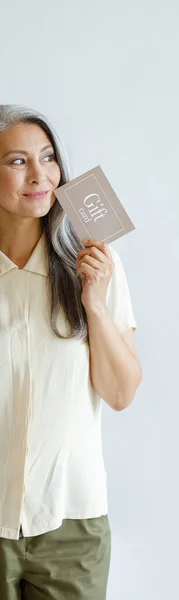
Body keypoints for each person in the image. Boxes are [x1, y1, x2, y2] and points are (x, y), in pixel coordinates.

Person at [0, 104, 142, 600]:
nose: (39, 175)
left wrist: (94, 304)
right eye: (17, 161)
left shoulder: (95, 264)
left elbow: (120, 393)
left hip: (71, 527)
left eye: (47, 157)